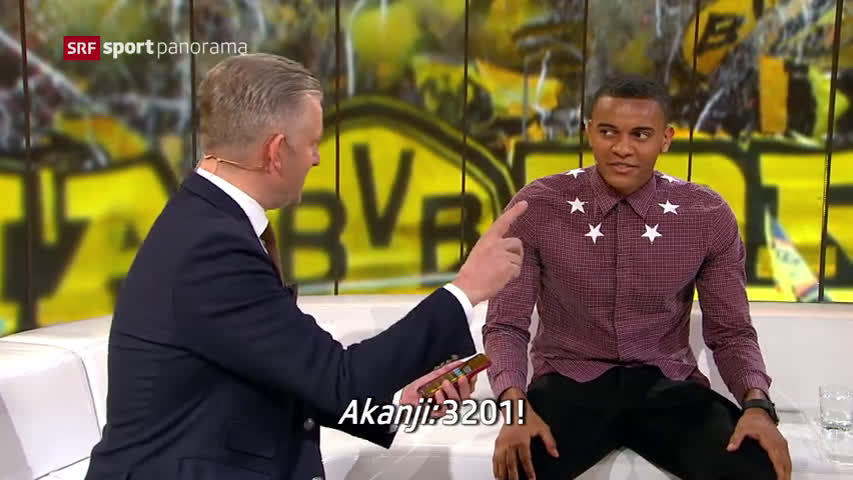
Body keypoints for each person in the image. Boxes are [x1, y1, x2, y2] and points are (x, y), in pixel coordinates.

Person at [84, 53, 529, 480]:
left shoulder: (206, 221)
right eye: (313, 143)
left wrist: (398, 405)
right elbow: (339, 379)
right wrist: (466, 289)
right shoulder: (213, 247)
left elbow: (297, 374)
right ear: (277, 151)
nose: (317, 158)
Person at [484, 74, 791, 480]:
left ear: (666, 139)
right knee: (520, 467)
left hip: (668, 386)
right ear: (589, 132)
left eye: (640, 135)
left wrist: (757, 406)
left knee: (758, 468)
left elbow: (731, 332)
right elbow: (505, 325)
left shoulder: (706, 215)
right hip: (567, 383)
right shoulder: (538, 206)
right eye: (608, 132)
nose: (622, 149)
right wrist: (514, 410)